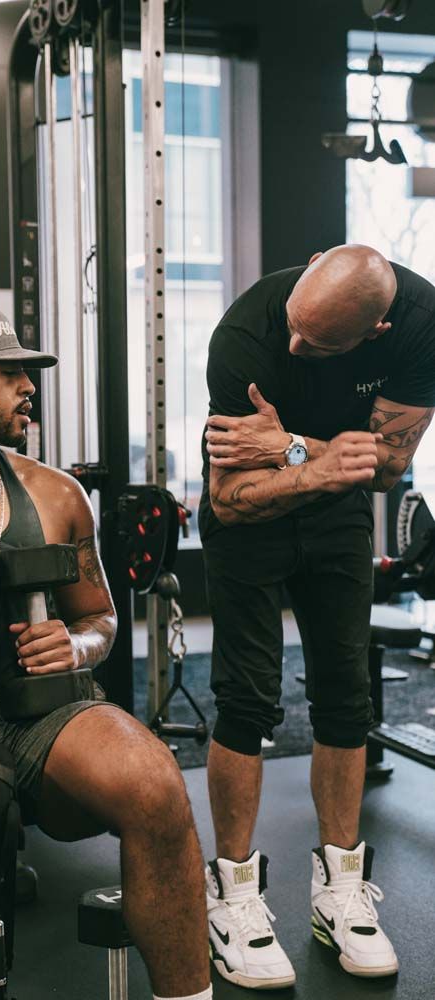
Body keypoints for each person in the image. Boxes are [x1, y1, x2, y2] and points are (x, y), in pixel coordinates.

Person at [0, 305, 212, 1000]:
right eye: (12, 372)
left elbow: (99, 617)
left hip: (42, 716)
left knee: (154, 782)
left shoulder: (58, 494)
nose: (30, 385)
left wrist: (76, 644)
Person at [199, 245, 435, 989]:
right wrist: (318, 462)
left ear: (376, 330)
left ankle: (339, 888)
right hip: (253, 523)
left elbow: (388, 467)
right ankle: (232, 897)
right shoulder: (245, 337)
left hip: (334, 520)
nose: (296, 348)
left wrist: (289, 446)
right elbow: (229, 498)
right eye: (296, 328)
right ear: (303, 270)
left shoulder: (421, 328)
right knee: (246, 698)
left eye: (319, 344)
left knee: (346, 698)